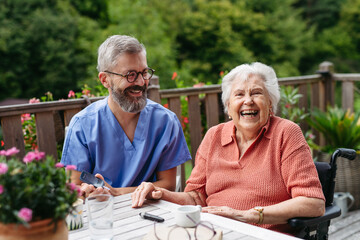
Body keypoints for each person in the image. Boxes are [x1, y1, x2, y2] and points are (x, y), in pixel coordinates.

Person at [131, 62, 325, 235]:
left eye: (256, 93)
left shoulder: (286, 133)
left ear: (270, 103)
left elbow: (313, 203)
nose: (248, 100)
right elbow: (195, 197)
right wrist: (160, 193)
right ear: (228, 106)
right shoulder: (214, 136)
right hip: (213, 233)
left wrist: (249, 215)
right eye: (239, 94)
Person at [61, 35, 191, 198]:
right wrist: (87, 192)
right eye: (130, 74)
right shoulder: (82, 125)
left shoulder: (166, 121)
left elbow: (168, 185)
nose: (141, 82)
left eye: (144, 73)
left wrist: (116, 193)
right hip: (102, 212)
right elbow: (76, 185)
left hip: (151, 211)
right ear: (105, 79)